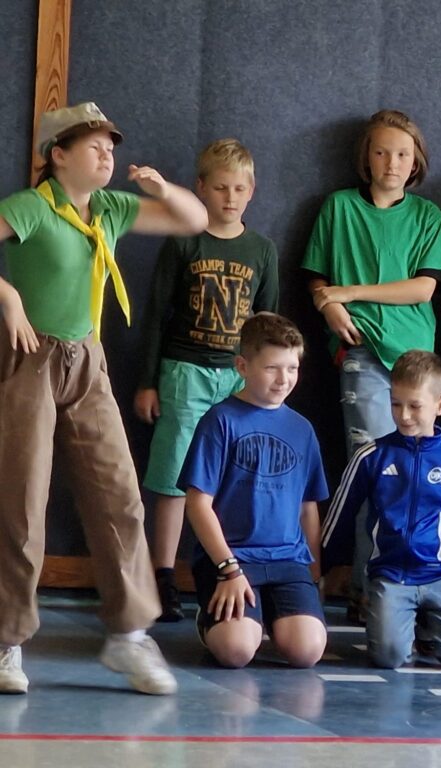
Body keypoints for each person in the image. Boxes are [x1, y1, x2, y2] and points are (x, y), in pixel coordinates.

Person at [0, 101, 208, 695]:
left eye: (111, 147)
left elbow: (193, 219)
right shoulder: (31, 207)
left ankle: (128, 635)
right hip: (31, 358)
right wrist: (8, 298)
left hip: (87, 361)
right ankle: (7, 639)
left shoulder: (112, 209)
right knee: (22, 503)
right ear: (58, 156)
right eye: (93, 146)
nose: (107, 155)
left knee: (120, 496)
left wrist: (162, 188)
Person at [302, 109, 441, 622]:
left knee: (416, 472)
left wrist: (349, 292)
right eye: (382, 152)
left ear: (416, 162)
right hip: (362, 351)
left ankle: (411, 585)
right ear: (366, 158)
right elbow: (316, 279)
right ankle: (368, 591)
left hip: (416, 359)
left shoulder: (428, 216)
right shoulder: (339, 207)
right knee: (372, 469)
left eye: (403, 154)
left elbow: (424, 288)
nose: (392, 162)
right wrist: (328, 303)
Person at [135, 138, 279, 622]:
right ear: (200, 188)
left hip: (239, 377)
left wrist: (266, 384)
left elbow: (269, 324)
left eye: (239, 188)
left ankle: (228, 570)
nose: (229, 197)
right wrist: (147, 381)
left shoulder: (262, 250)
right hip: (185, 371)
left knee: (236, 477)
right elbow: (156, 314)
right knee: (174, 476)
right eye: (220, 188)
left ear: (252, 191)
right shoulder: (184, 241)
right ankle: (162, 575)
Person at [321, 350, 441, 670]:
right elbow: (339, 517)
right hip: (391, 575)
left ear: (440, 405)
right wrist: (321, 569)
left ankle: (426, 627)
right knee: (389, 656)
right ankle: (399, 622)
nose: (404, 416)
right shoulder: (371, 456)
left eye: (415, 406)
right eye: (396, 404)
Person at [179, 312, 328, 669]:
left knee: (306, 651)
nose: (284, 379)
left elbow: (308, 507)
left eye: (292, 368)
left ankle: (271, 617)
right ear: (242, 366)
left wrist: (314, 572)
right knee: (236, 651)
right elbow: (198, 504)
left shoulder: (302, 429)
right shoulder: (219, 421)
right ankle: (215, 620)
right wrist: (228, 567)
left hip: (288, 560)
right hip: (234, 558)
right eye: (272, 368)